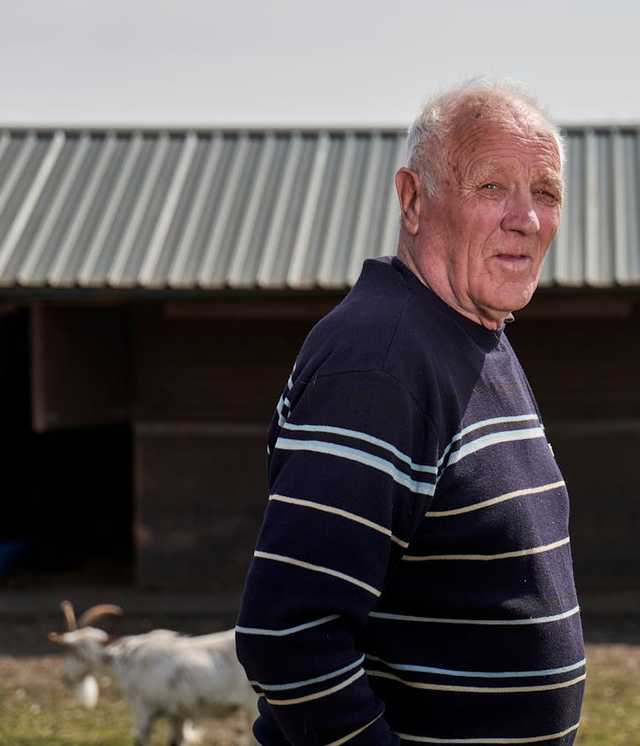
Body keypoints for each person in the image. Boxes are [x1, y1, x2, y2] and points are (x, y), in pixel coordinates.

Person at [236, 79, 584, 746]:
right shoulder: (381, 360)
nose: (527, 219)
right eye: (492, 187)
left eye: (545, 192)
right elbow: (288, 633)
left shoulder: (475, 339)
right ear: (413, 199)